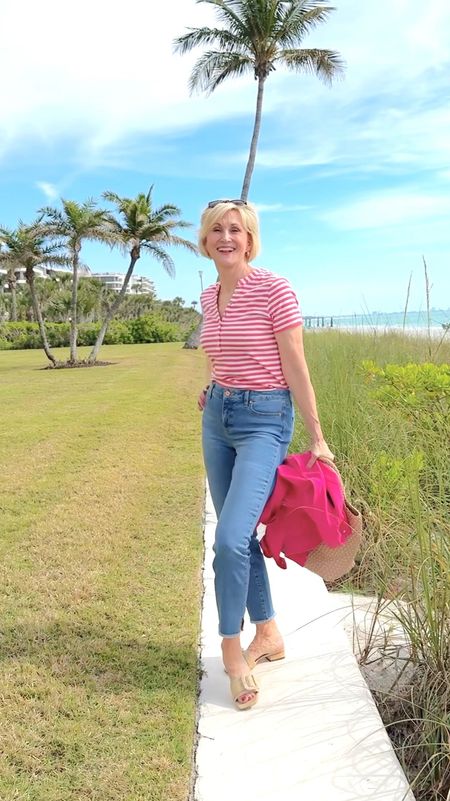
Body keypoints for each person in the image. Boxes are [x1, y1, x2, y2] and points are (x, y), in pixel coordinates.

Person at [197, 199, 334, 711]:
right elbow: (222, 350)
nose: (226, 237)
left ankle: (232, 656)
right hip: (219, 419)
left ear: (249, 240)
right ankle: (268, 635)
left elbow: (294, 364)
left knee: (230, 539)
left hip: (264, 423)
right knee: (241, 539)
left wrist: (317, 436)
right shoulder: (209, 297)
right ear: (205, 241)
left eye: (236, 229)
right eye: (217, 230)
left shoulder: (274, 288)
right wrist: (213, 386)